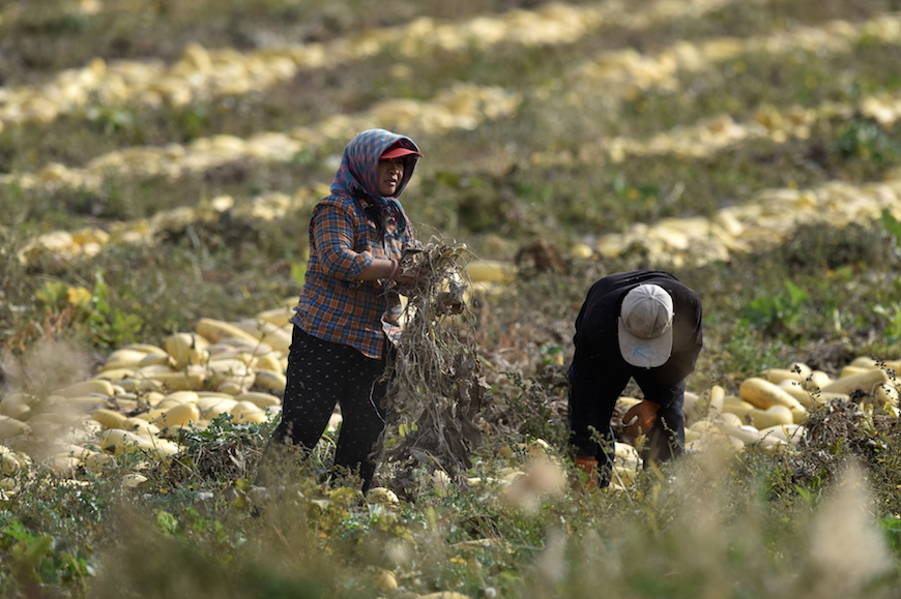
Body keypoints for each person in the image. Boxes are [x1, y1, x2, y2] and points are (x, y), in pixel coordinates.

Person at [259, 128, 423, 494]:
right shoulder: (335, 208)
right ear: (365, 164)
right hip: (325, 341)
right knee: (301, 428)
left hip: (375, 344)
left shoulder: (396, 216)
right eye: (386, 163)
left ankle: (343, 506)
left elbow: (406, 264)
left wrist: (422, 276)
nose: (395, 172)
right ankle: (261, 504)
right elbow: (338, 260)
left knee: (365, 436)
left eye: (401, 165)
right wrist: (395, 269)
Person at [567, 270, 703, 488]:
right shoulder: (598, 321)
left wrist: (655, 401)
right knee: (595, 415)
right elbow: (585, 389)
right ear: (620, 312)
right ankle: (594, 489)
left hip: (664, 362)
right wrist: (584, 455)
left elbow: (685, 360)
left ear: (673, 320)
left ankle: (662, 491)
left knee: (669, 416)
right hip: (608, 345)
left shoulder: (688, 305)